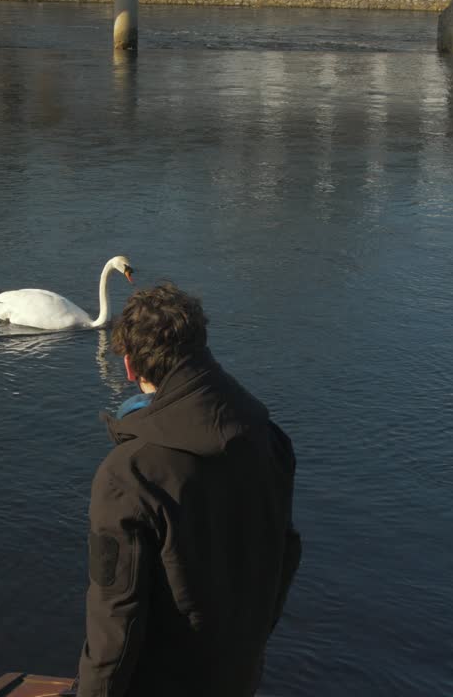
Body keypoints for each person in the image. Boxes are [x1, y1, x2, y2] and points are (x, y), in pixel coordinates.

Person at [78, 284, 302, 697]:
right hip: (238, 676)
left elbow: (115, 617)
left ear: (129, 367)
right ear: (200, 347)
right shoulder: (270, 441)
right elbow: (285, 557)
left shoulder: (128, 474)